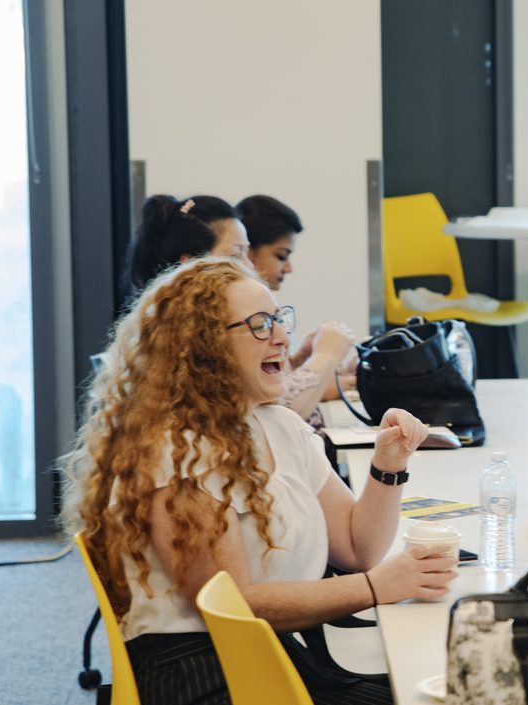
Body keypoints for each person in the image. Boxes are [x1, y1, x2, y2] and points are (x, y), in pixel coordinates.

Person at [63, 257, 452, 705]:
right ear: (203, 347)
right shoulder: (177, 451)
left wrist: (389, 464)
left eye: (279, 318)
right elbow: (234, 604)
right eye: (260, 324)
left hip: (268, 653)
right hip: (200, 674)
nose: (283, 336)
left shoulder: (278, 426)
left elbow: (359, 549)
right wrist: (378, 587)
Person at [126, 194, 354, 425]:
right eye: (235, 256)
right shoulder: (188, 342)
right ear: (191, 266)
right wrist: (325, 357)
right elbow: (270, 413)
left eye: (247, 252)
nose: (248, 265)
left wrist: (297, 362)